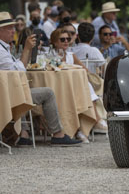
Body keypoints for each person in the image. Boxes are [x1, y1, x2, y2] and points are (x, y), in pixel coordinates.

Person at [0, 12, 82, 146]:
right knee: (48, 93)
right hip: (8, 96)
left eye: (13, 27)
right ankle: (58, 134)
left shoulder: (4, 48)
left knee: (24, 89)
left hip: (10, 92)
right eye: (9, 28)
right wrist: (27, 49)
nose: (13, 31)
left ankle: (24, 134)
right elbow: (18, 72)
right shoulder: (1, 50)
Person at [50, 28, 108, 142]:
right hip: (59, 88)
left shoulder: (71, 55)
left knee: (85, 90)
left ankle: (83, 131)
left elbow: (85, 70)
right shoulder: (51, 56)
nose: (66, 41)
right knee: (85, 93)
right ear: (55, 42)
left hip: (73, 87)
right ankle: (90, 125)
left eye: (68, 39)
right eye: (62, 39)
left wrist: (76, 68)